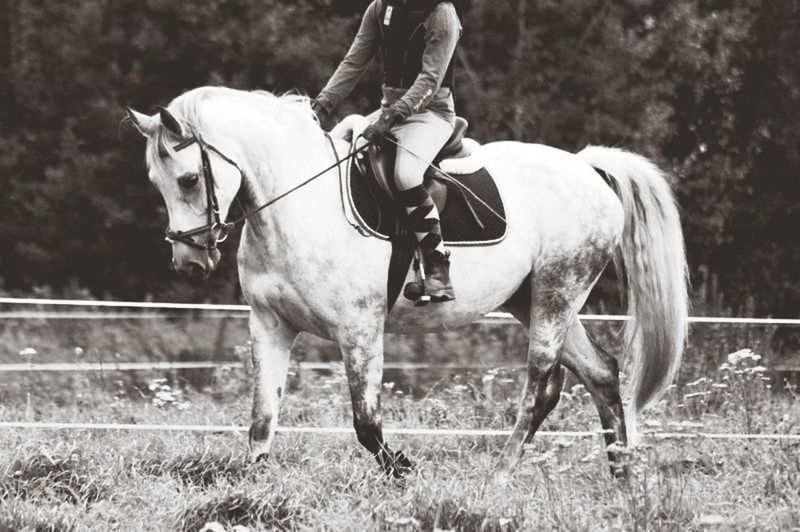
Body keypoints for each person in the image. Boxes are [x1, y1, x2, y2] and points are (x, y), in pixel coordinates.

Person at [313, 0, 463, 303]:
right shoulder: (380, 8)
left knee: (406, 175)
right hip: (388, 111)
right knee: (338, 157)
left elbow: (430, 80)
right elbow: (354, 61)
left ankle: (437, 265)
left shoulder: (441, 14)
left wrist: (392, 117)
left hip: (430, 114)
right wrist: (322, 105)